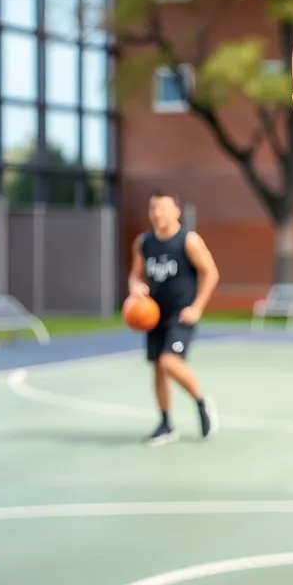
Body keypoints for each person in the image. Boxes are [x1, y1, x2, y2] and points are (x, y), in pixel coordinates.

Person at [128, 190, 220, 446]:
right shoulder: (143, 243)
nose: (157, 214)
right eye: (153, 209)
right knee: (158, 367)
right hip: (153, 315)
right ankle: (166, 424)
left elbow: (210, 273)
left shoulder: (188, 241)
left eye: (163, 208)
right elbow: (135, 276)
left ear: (176, 211)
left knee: (169, 361)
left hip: (181, 314)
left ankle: (202, 402)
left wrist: (198, 307)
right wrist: (135, 287)